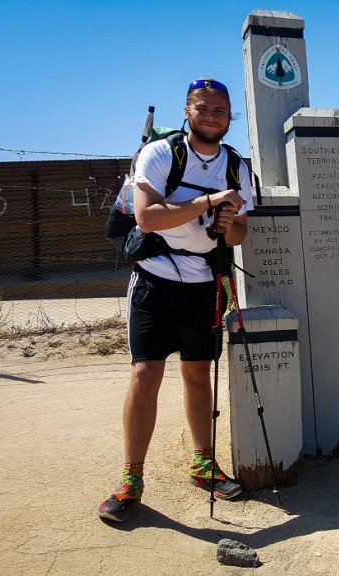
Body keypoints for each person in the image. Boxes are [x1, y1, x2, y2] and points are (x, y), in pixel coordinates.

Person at [98, 78, 254, 522]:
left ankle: (203, 464)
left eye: (220, 111)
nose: (211, 116)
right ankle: (131, 478)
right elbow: (146, 218)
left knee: (198, 375)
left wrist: (227, 222)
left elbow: (242, 232)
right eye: (202, 108)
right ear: (187, 112)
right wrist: (210, 200)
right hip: (155, 279)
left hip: (204, 282)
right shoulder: (162, 154)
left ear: (229, 117)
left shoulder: (236, 166)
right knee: (146, 374)